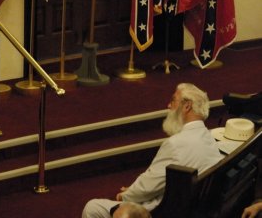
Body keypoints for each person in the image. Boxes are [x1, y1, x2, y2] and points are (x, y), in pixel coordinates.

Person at [82, 83, 223, 218]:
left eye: (173, 101)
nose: (169, 106)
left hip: (165, 211)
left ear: (186, 106)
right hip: (195, 207)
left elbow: (148, 186)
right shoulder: (209, 136)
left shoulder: (175, 144)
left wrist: (126, 195)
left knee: (93, 207)